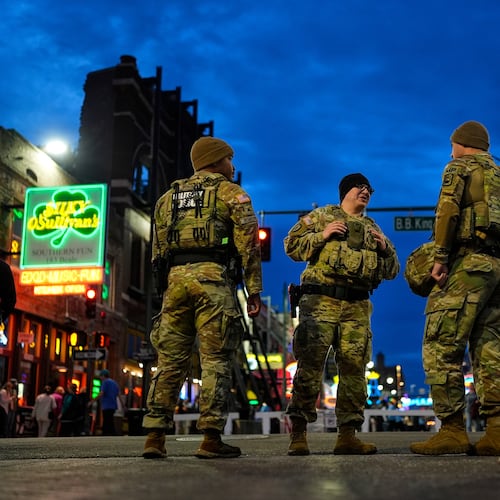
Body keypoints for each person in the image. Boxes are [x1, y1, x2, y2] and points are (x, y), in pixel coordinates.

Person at [142, 136, 262, 459]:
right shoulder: (231, 193)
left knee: (168, 361)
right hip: (212, 279)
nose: (233, 166)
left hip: (175, 283)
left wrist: (162, 288)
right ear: (217, 160)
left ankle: (155, 436)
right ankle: (210, 438)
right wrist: (254, 291)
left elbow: (157, 251)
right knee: (216, 358)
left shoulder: (167, 199)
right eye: (229, 159)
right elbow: (249, 247)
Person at [284, 173, 399, 455]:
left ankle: (347, 435)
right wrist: (322, 235)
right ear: (346, 191)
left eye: (369, 189)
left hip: (357, 307)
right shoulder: (322, 216)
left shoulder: (374, 229)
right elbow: (291, 246)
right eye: (360, 187)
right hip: (320, 301)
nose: (366, 192)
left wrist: (384, 248)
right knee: (309, 368)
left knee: (354, 371)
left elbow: (393, 270)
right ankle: (298, 435)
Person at [409, 121, 500, 456]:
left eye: (453, 144)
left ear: (464, 144)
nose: (450, 150)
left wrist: (441, 257)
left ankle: (451, 430)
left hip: (468, 264)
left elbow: (447, 212)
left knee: (440, 343)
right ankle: (496, 430)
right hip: (496, 269)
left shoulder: (459, 168)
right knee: (490, 349)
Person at [95, 369, 119, 435]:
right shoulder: (114, 383)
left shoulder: (105, 382)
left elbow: (101, 393)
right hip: (113, 405)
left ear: (103, 376)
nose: (100, 378)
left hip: (106, 405)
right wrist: (123, 406)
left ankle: (106, 433)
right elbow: (118, 395)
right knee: (110, 420)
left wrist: (92, 400)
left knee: (106, 420)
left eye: (100, 376)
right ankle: (112, 433)